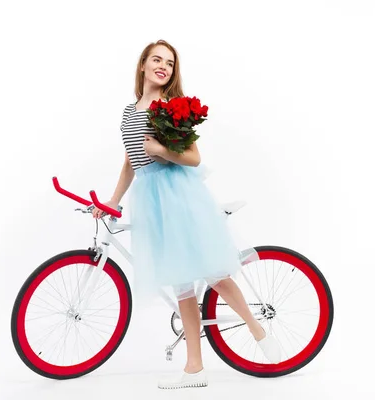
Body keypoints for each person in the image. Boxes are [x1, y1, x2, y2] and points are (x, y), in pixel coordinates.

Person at [92, 39, 280, 389]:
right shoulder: (129, 112)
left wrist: (161, 148)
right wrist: (112, 202)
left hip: (177, 194)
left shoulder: (170, 107)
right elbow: (130, 163)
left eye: (170, 63)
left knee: (213, 272)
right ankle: (194, 368)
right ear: (143, 65)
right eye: (157, 60)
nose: (164, 66)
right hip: (150, 198)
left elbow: (193, 157)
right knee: (182, 285)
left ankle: (257, 329)